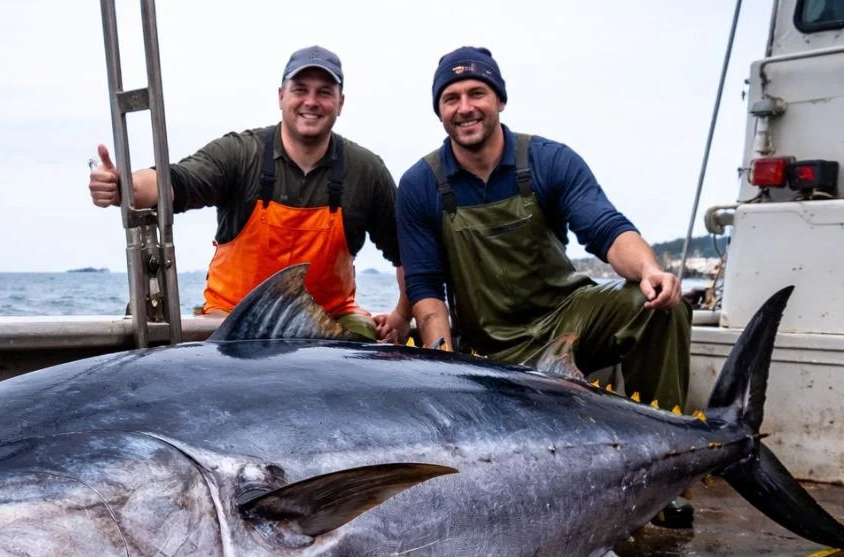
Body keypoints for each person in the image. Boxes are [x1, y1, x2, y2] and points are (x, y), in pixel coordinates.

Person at [396, 46, 692, 412]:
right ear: (439, 111)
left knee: (655, 306)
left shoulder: (549, 160)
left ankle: (668, 440)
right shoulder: (419, 184)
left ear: (500, 100)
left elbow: (605, 228)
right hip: (487, 347)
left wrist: (649, 269)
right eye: (450, 98)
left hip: (567, 321)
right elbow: (426, 287)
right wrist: (443, 374)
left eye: (477, 93)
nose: (464, 108)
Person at [89, 45, 411, 343]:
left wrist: (401, 313)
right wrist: (124, 188)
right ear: (281, 96)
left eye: (324, 93)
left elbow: (408, 252)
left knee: (366, 339)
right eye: (300, 90)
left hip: (330, 317)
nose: (311, 102)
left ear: (340, 102)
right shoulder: (240, 154)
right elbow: (178, 182)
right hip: (233, 316)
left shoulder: (366, 171)